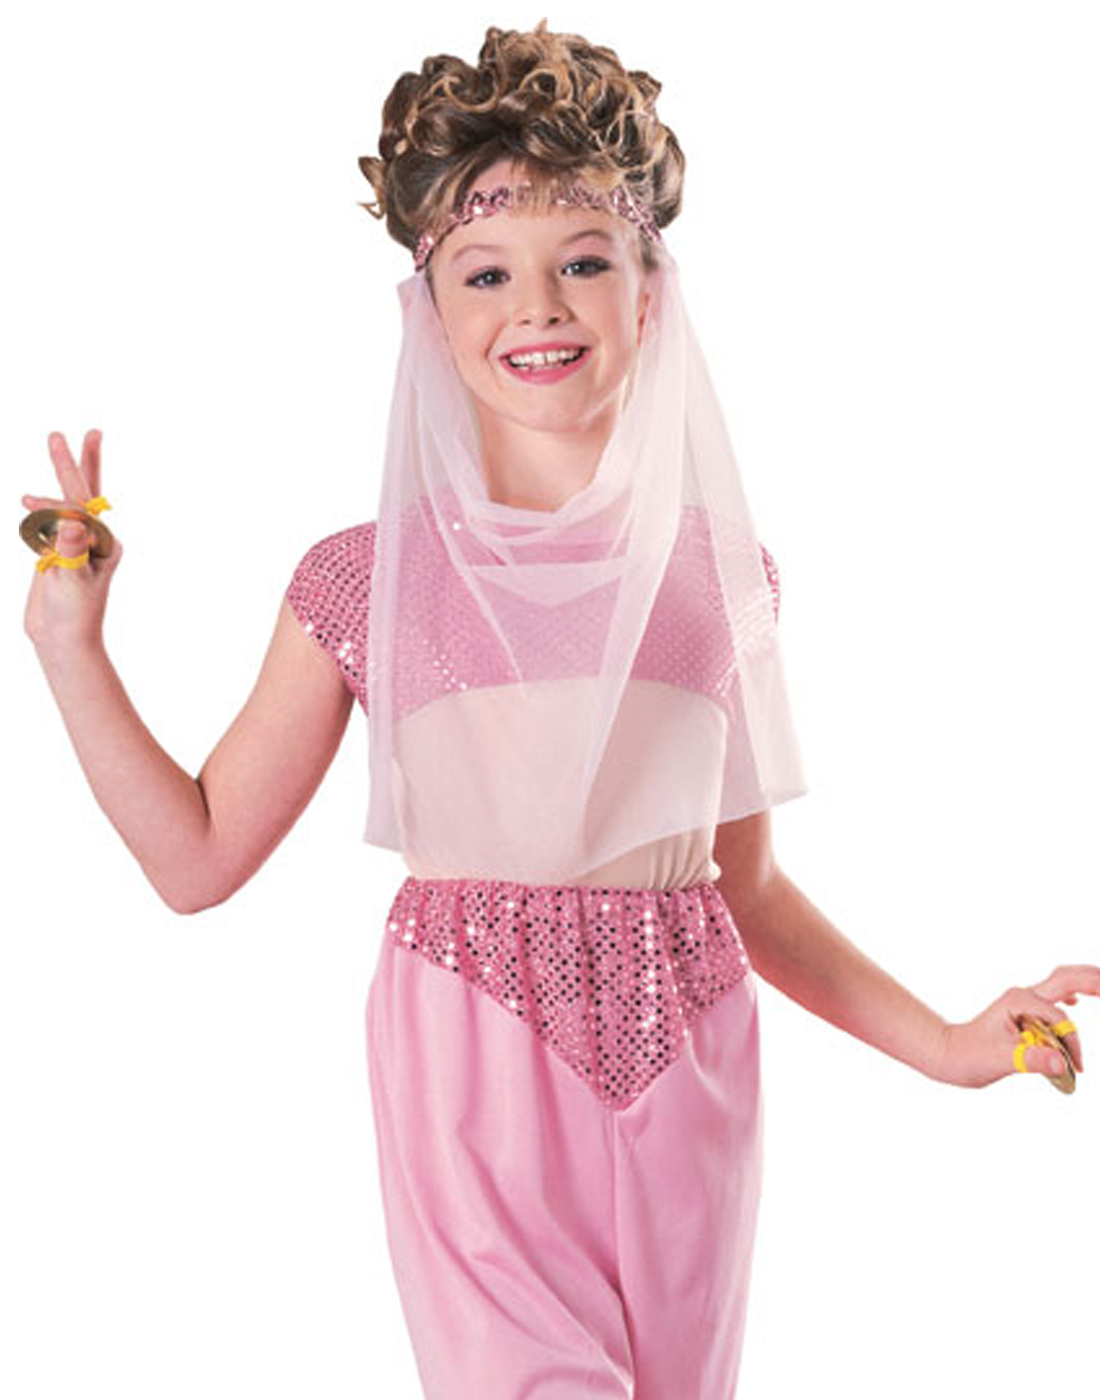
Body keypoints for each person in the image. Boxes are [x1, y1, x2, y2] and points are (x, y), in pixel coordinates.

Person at [21, 19, 1100, 1400]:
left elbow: (752, 891)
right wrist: (70, 647)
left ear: (651, 293)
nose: (537, 304)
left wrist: (945, 1044)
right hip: (475, 1062)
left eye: (584, 260)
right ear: (430, 314)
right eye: (486, 272)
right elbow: (197, 858)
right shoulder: (366, 583)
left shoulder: (721, 580)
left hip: (690, 1058)